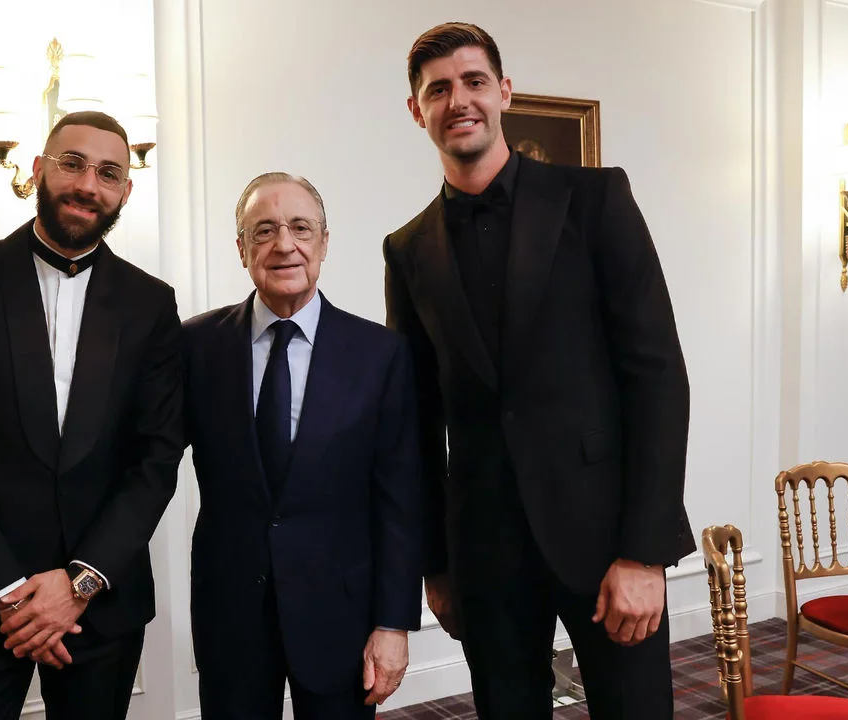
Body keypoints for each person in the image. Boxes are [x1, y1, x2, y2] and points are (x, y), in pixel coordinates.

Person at [383, 22, 694, 719]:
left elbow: (658, 378)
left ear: (504, 92)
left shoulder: (596, 199)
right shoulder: (406, 249)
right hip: (484, 555)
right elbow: (417, 420)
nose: (457, 99)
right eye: (438, 89)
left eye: (473, 81)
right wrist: (435, 564)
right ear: (417, 111)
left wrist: (645, 554)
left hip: (608, 542)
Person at [0, 110, 184, 719]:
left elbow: (157, 458)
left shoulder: (152, 304)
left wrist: (80, 583)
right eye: (72, 163)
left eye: (109, 172)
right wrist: (7, 590)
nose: (88, 184)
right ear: (38, 170)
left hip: (100, 603)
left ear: (125, 191)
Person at [184, 172, 425, 718]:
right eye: (264, 230)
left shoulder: (380, 354)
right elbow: (146, 464)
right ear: (241, 248)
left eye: (300, 228)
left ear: (324, 242)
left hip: (342, 612)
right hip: (231, 612)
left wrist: (393, 622)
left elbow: (400, 500)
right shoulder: (195, 346)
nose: (284, 244)